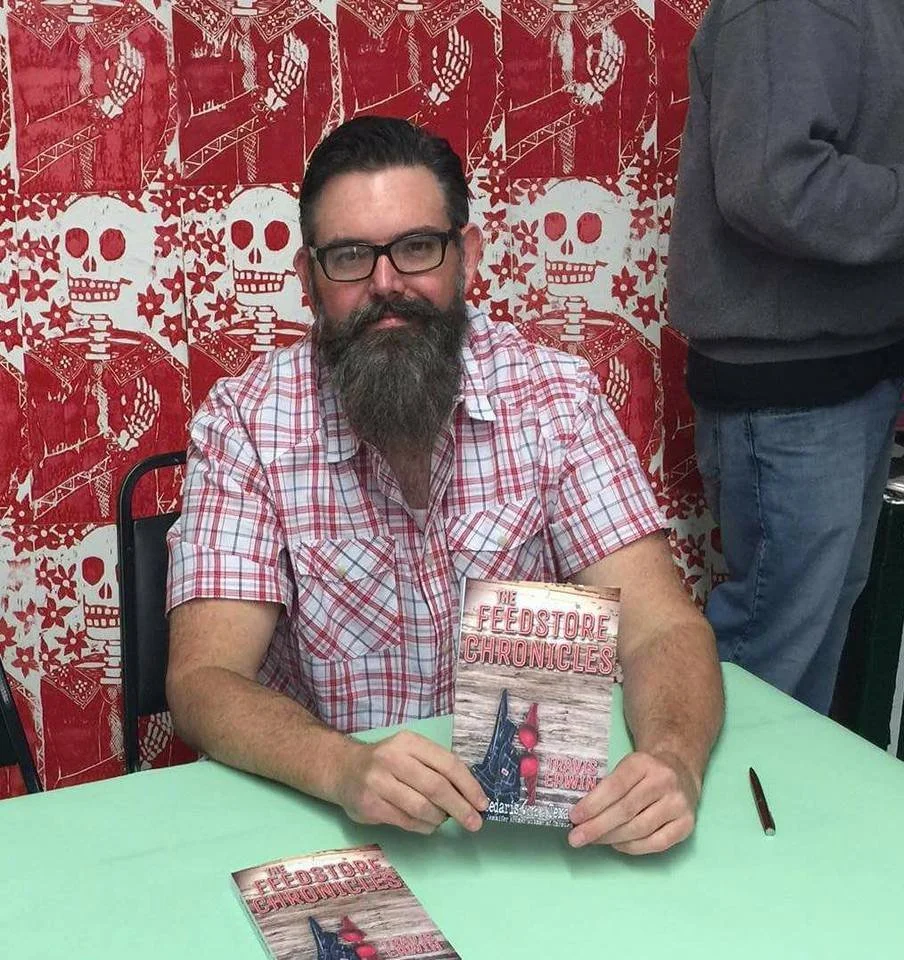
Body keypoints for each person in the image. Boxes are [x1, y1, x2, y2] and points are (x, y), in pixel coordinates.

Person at [166, 116, 723, 855]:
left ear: (466, 257)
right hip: (328, 819)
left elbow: (663, 628)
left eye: (417, 248)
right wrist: (343, 767)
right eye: (350, 258)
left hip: (535, 839)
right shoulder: (247, 424)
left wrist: (672, 762)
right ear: (307, 281)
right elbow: (205, 678)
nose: (386, 285)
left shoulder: (554, 397)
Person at [666, 0, 904, 715]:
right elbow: (775, 185)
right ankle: (727, 822)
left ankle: (766, 817)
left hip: (850, 369)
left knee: (810, 637)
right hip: (796, 391)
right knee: (775, 646)